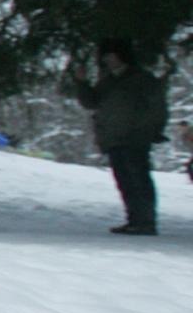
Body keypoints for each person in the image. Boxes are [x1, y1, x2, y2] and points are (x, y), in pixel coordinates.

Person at [70, 37, 169, 236]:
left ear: (122, 56)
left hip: (135, 138)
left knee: (138, 179)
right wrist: (82, 83)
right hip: (113, 138)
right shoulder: (108, 81)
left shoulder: (142, 79)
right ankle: (134, 220)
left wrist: (152, 130)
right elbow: (91, 103)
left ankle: (146, 221)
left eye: (111, 55)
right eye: (106, 56)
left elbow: (158, 107)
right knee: (124, 180)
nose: (108, 60)